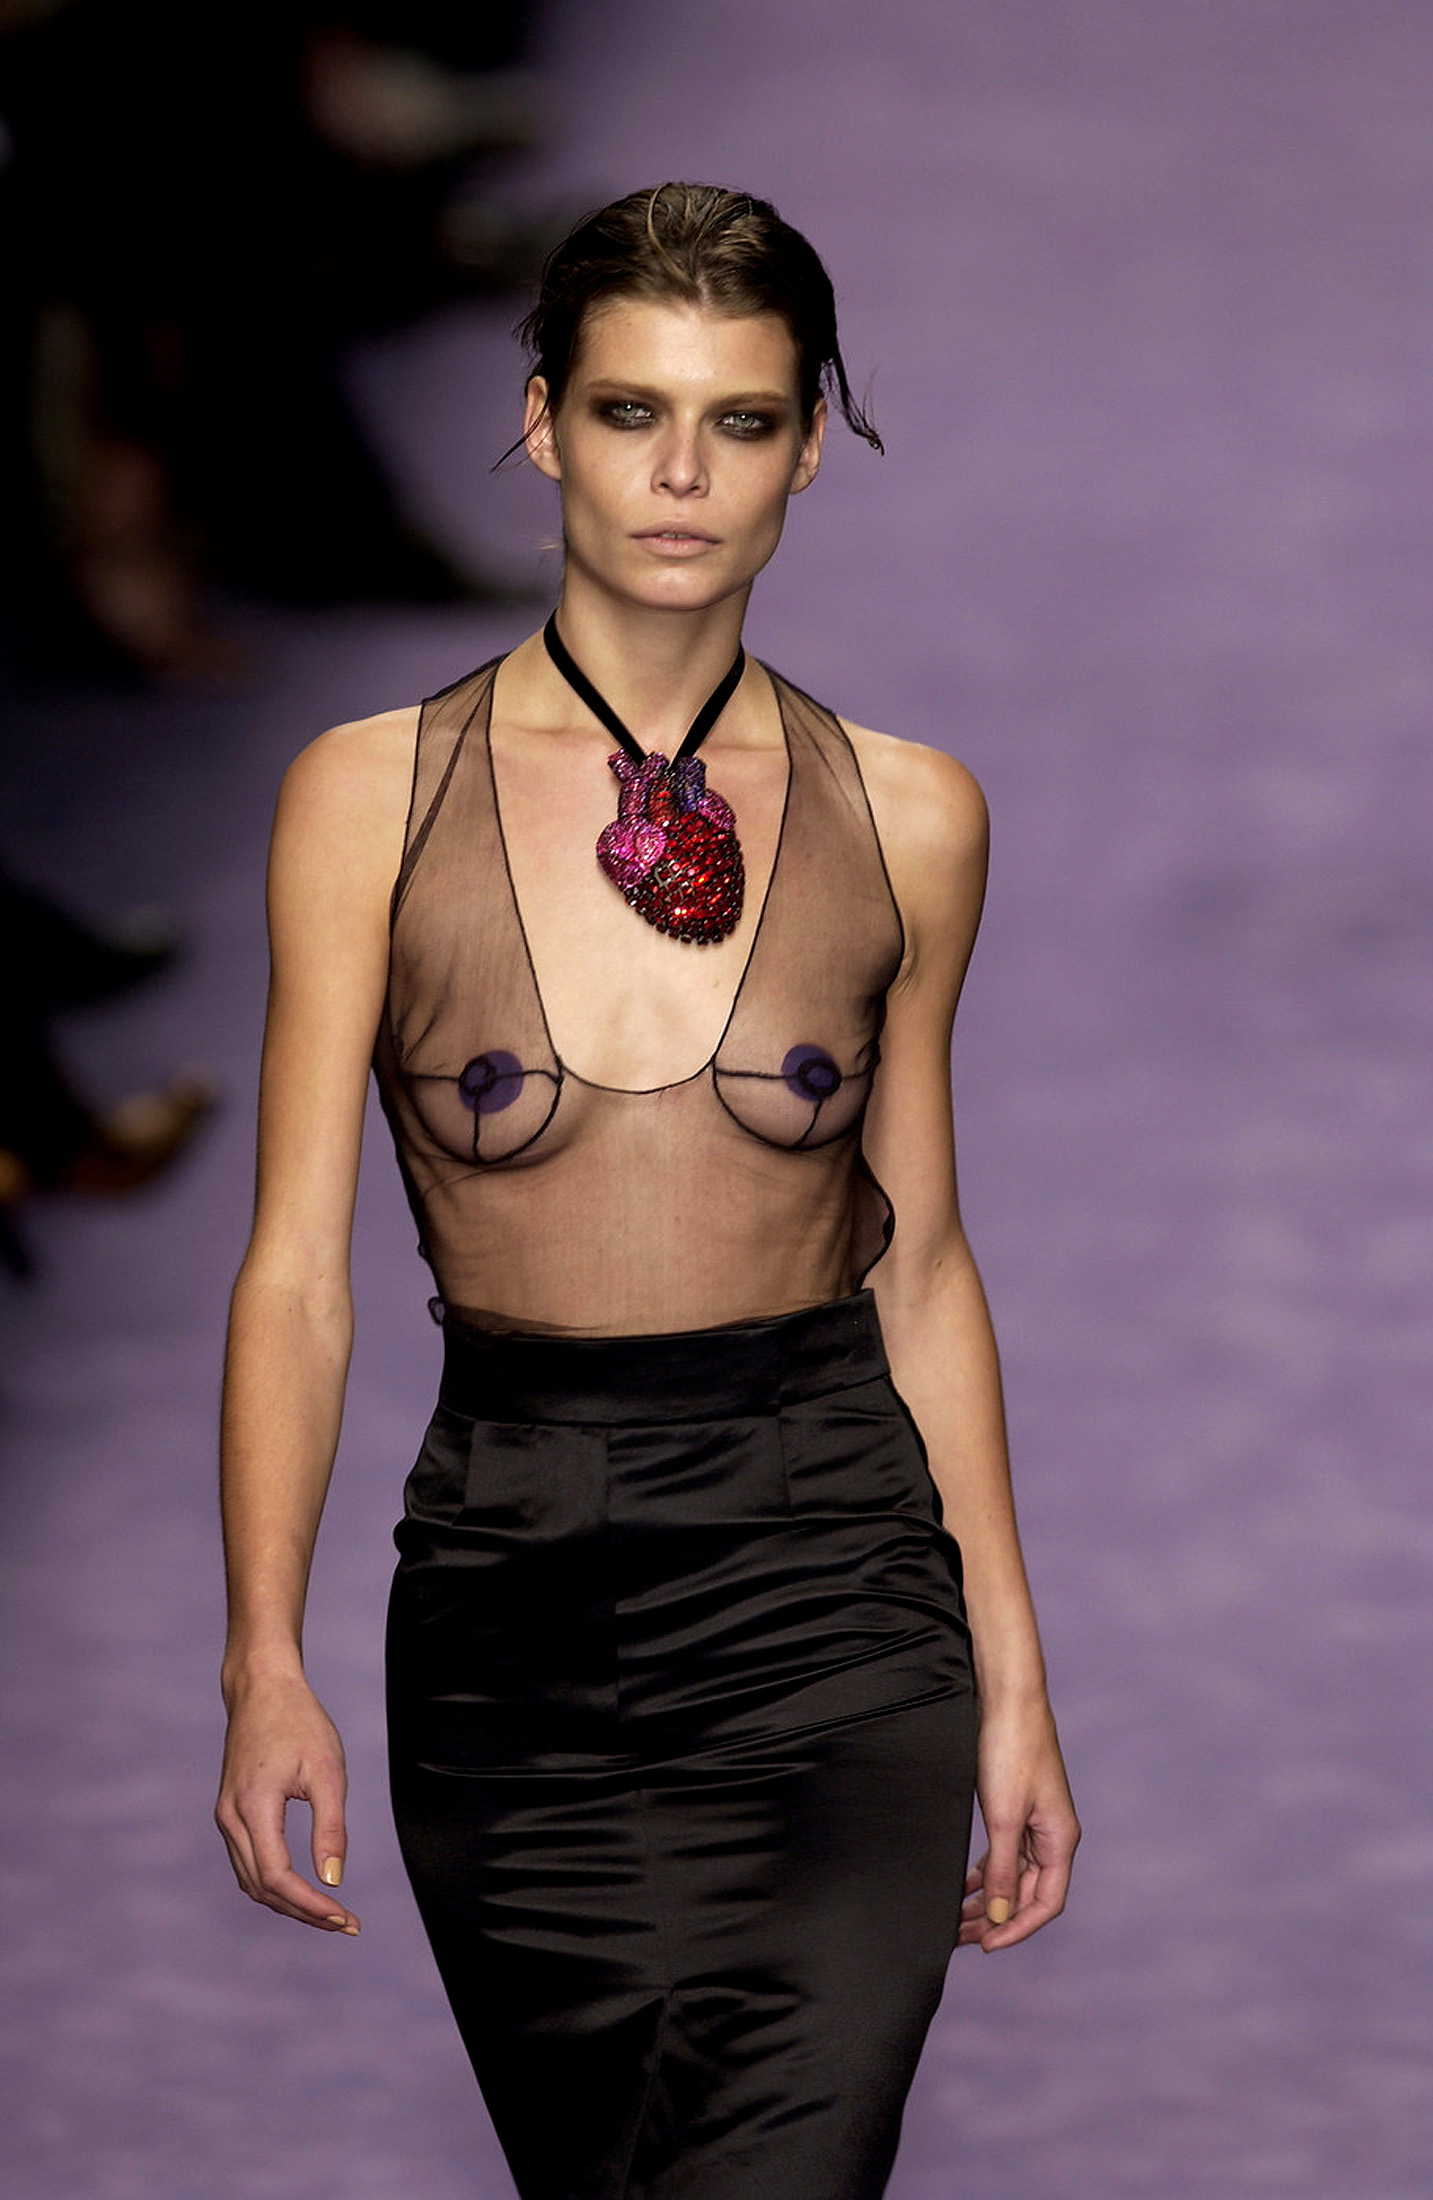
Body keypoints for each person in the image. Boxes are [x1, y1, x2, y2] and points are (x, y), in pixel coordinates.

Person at [215, 181, 1080, 2200]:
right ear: (542, 423)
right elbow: (296, 1276)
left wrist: (1017, 1680)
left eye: (741, 420)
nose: (682, 475)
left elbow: (922, 1266)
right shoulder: (365, 799)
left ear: (808, 445)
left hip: (832, 1600)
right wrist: (262, 1656)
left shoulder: (911, 816)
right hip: (509, 1615)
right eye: (630, 412)